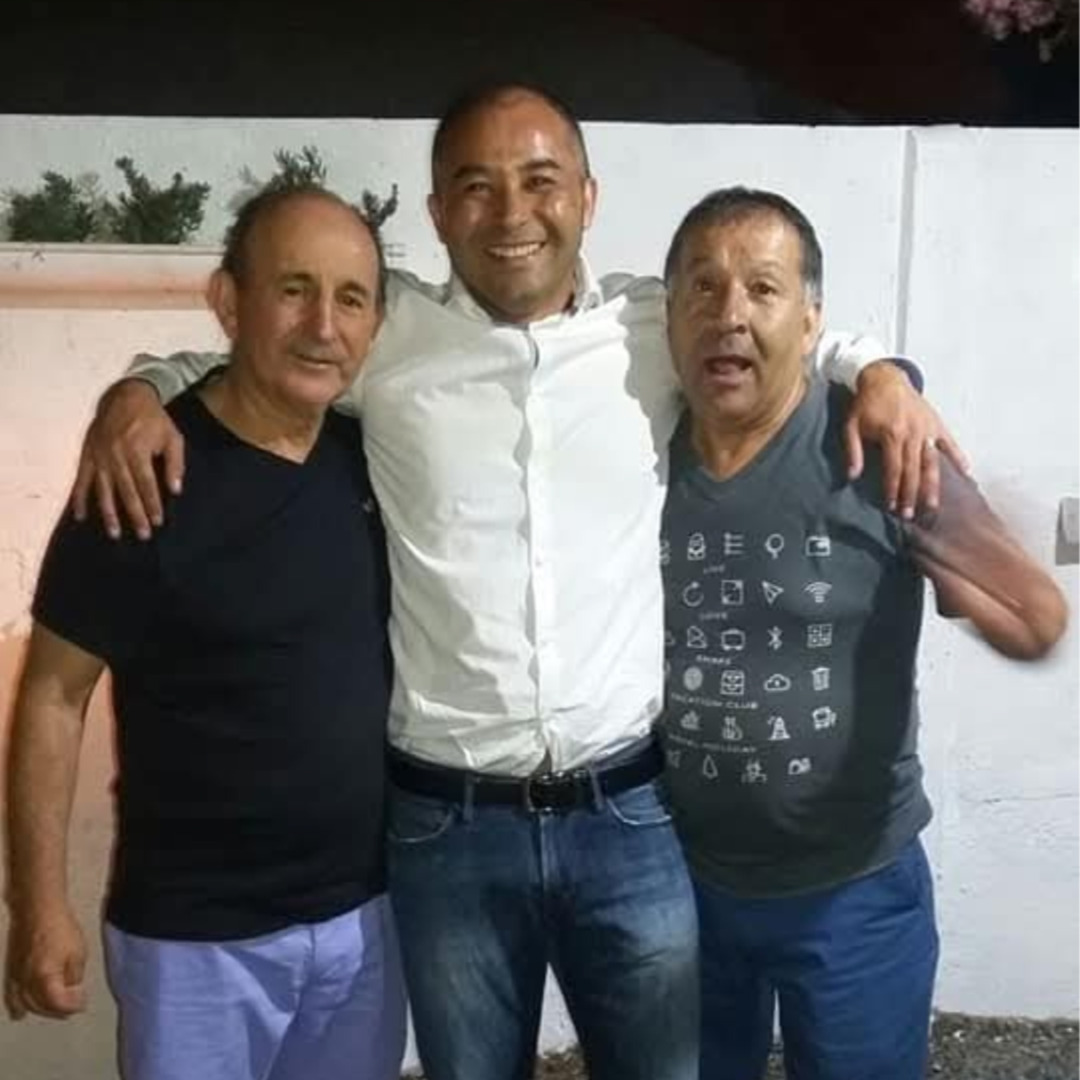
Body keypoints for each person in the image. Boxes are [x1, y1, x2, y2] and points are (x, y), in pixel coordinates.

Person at [66, 84, 962, 1080]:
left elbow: (783, 328)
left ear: (587, 195)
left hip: (629, 818)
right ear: (439, 211)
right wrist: (139, 389)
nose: (511, 214)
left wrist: (881, 371)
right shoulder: (388, 340)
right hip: (446, 832)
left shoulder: (654, 325)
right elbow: (254, 358)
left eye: (540, 181)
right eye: (476, 187)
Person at [658, 186, 1068, 1080]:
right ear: (669, 313)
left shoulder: (880, 452)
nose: (729, 314)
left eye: (763, 289)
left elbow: (1036, 615)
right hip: (681, 881)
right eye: (704, 287)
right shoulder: (636, 448)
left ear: (811, 323)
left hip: (853, 893)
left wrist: (967, 566)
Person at [3, 186, 407, 1080]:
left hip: (364, 926)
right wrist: (39, 907)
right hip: (195, 943)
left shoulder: (373, 461)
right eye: (293, 289)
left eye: (350, 298)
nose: (323, 326)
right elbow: (54, 697)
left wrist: (138, 379)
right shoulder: (142, 475)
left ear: (376, 324)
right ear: (229, 301)